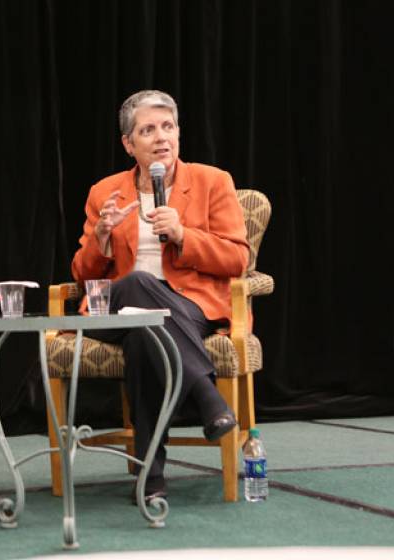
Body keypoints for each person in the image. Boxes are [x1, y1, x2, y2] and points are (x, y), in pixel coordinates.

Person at [72, 89, 249, 503]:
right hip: (115, 308)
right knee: (134, 284)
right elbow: (82, 276)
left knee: (143, 335)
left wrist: (186, 235)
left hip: (190, 306)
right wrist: (100, 239)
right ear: (129, 144)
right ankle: (208, 397)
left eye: (168, 127)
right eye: (148, 130)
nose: (161, 138)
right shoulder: (105, 192)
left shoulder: (212, 182)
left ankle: (150, 477)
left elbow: (237, 258)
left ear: (179, 134)